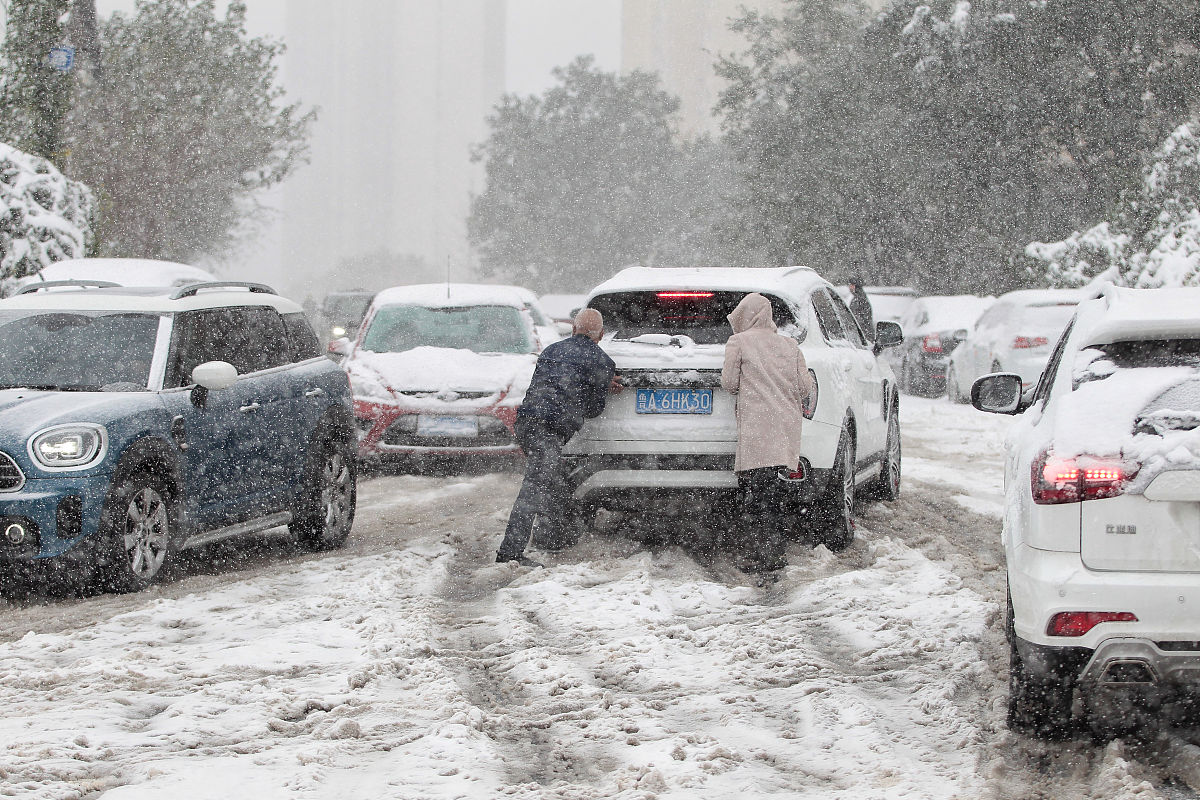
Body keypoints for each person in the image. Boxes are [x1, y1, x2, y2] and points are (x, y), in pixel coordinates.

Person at [497, 308, 619, 567]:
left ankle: (554, 537)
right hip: (550, 431)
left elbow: (548, 383)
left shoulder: (552, 350)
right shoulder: (602, 362)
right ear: (602, 334)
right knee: (535, 488)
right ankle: (510, 553)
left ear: (573, 329)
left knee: (554, 481)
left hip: (527, 423)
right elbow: (594, 410)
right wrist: (600, 384)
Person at [721, 293, 813, 583]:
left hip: (757, 429)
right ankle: (775, 551)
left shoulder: (739, 342)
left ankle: (763, 556)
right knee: (773, 494)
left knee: (756, 496)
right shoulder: (790, 345)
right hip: (784, 428)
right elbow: (805, 387)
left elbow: (729, 383)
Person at [847, 276, 875, 341]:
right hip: (866, 335)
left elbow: (854, 318)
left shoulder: (859, 299)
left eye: (850, 285)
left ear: (855, 286)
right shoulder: (861, 297)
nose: (849, 288)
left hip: (863, 336)